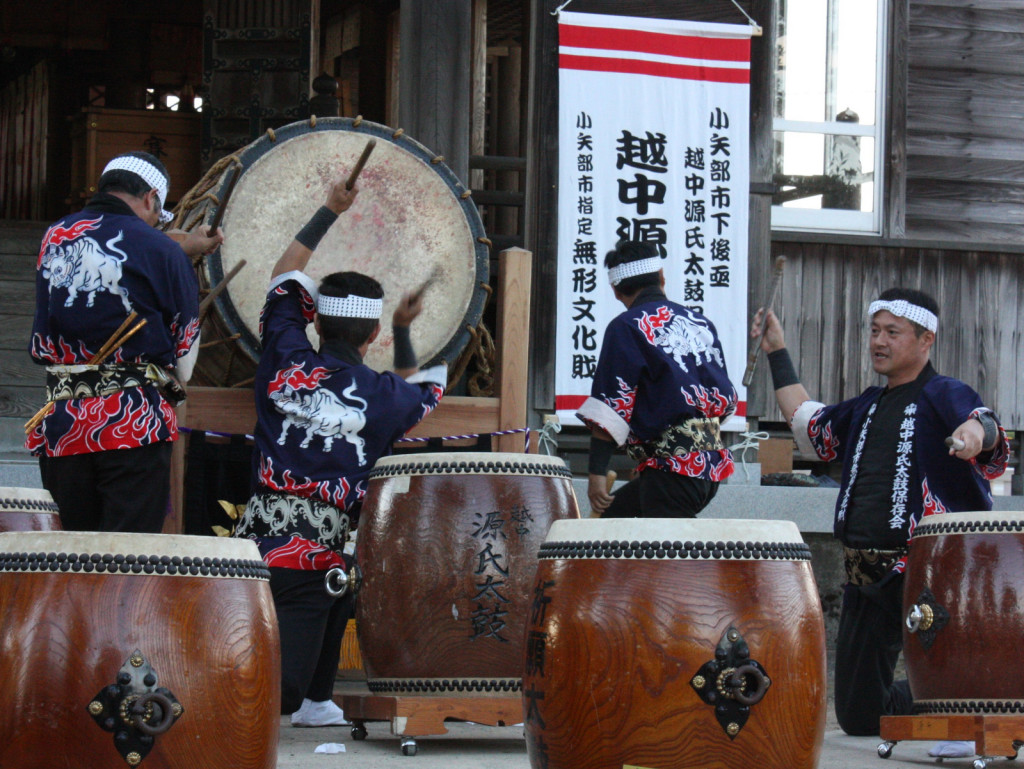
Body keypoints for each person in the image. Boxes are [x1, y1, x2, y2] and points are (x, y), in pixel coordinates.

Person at [233, 172, 446, 728]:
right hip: (307, 558)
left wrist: (329, 210)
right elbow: (417, 388)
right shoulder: (381, 395)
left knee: (340, 582)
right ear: (370, 334)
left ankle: (317, 700)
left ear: (317, 319)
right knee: (269, 696)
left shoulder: (283, 356)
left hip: (257, 543)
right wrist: (403, 330)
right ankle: (296, 697)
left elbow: (285, 276)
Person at [753, 287, 1008, 747]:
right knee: (858, 715)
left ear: (925, 339)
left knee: (950, 672)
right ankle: (949, 698)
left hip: (927, 572)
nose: (879, 341)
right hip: (865, 574)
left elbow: (982, 422)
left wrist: (975, 433)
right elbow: (809, 424)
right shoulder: (868, 403)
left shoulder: (942, 392)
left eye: (893, 332)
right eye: (874, 331)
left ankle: (964, 696)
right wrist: (777, 350)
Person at [27, 151, 222, 532]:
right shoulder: (163, 250)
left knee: (71, 550)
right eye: (157, 212)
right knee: (127, 556)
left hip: (64, 422)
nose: (155, 223)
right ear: (151, 197)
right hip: (133, 424)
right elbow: (183, 353)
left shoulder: (55, 237)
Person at [578, 240, 738, 518]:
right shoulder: (700, 323)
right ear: (662, 278)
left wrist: (596, 474)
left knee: (668, 556)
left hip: (673, 472)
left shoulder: (626, 327)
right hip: (709, 468)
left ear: (616, 291)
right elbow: (723, 400)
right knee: (611, 521)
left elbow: (611, 406)